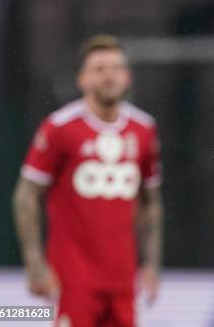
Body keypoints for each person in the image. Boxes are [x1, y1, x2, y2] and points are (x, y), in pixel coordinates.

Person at [12, 35, 164, 327]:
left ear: (128, 77)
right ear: (82, 79)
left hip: (122, 277)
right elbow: (26, 194)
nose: (109, 75)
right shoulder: (60, 127)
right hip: (73, 276)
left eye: (116, 68)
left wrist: (151, 265)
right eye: (99, 69)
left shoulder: (144, 129)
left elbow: (151, 201)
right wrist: (34, 262)